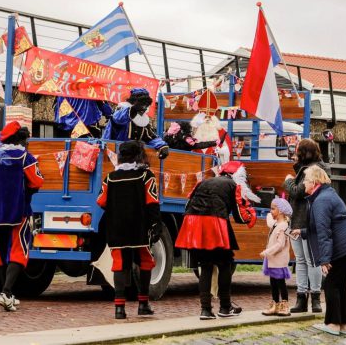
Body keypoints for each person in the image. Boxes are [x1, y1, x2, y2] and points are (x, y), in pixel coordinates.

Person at [174, 161, 257, 320]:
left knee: (205, 266)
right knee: (225, 263)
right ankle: (225, 307)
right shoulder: (233, 185)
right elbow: (240, 217)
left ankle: (205, 310)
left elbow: (188, 205)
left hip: (193, 222)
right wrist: (250, 214)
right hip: (214, 223)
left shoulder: (204, 181)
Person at [291, 165, 346, 336]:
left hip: (345, 245)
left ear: (315, 182)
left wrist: (324, 260)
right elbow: (325, 225)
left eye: (307, 180)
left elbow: (324, 232)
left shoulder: (321, 200)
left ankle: (333, 324)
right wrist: (302, 231)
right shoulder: (326, 194)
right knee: (341, 284)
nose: (304, 184)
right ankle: (343, 324)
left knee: (331, 283)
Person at [0, 121, 44, 312]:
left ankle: (7, 294)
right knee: (18, 252)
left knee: (2, 253)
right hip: (20, 211)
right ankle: (6, 292)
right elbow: (37, 181)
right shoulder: (25, 157)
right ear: (21, 140)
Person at [96, 140, 162, 320]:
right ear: (137, 156)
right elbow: (152, 202)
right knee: (145, 262)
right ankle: (143, 304)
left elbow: (101, 202)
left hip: (116, 227)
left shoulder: (110, 177)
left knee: (119, 264)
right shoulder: (145, 176)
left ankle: (119, 308)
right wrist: (156, 225)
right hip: (140, 227)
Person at [283, 138, 330, 313]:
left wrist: (288, 181)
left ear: (304, 152)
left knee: (310, 261)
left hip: (306, 220)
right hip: (298, 220)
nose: (295, 153)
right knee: (302, 261)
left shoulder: (313, 170)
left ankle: (314, 298)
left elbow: (297, 192)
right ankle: (303, 299)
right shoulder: (310, 168)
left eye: (297, 150)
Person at [102, 88, 169, 159]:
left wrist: (162, 145)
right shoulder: (122, 112)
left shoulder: (143, 120)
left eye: (146, 105)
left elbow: (150, 136)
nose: (145, 107)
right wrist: (133, 109)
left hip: (133, 158)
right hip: (114, 155)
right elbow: (118, 119)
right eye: (142, 104)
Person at [260, 197, 293, 317]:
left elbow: (280, 244)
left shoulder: (284, 226)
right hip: (272, 260)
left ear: (281, 211)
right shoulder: (275, 224)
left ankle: (284, 305)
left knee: (280, 283)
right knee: (273, 282)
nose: (271, 211)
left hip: (278, 260)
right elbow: (270, 221)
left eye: (273, 209)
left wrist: (267, 251)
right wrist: (269, 214)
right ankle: (275, 304)